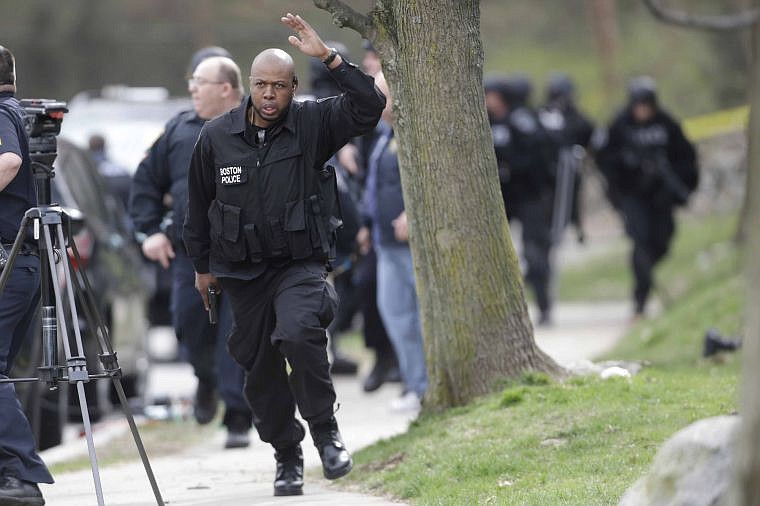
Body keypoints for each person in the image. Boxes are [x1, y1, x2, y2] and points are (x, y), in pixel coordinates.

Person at [183, 13, 385, 496]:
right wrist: (202, 268)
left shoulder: (313, 122)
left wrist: (330, 58)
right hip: (243, 274)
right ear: (247, 86)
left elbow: (368, 106)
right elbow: (197, 207)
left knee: (299, 333)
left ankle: (326, 434)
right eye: (261, 85)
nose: (270, 95)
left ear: (294, 86)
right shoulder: (215, 137)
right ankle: (286, 453)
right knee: (259, 369)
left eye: (279, 86)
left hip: (299, 264)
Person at [129, 49, 253, 448]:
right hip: (190, 257)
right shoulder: (178, 131)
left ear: (225, 88)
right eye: (192, 82)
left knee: (237, 336)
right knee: (189, 326)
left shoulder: (256, 127)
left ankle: (237, 416)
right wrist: (150, 232)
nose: (191, 89)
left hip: (243, 257)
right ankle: (207, 381)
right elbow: (146, 184)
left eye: (199, 82)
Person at [595, 76, 698, 317]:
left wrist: (679, 185)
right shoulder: (620, 125)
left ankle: (645, 270)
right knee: (640, 242)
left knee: (662, 242)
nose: (642, 111)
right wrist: (626, 169)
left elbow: (685, 157)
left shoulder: (667, 124)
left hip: (661, 196)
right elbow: (605, 160)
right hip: (633, 196)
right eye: (638, 106)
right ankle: (640, 298)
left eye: (646, 106)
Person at [0, 44, 52, 506]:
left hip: (8, 261)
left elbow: (9, 161)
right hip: (21, 262)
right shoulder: (15, 110)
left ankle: (21, 473)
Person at [358, 72, 427, 413]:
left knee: (419, 317)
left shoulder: (416, 131)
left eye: (382, 95)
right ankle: (414, 383)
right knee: (395, 315)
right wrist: (368, 223)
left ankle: (427, 384)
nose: (378, 103)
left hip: (411, 245)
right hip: (386, 243)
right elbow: (375, 186)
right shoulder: (384, 135)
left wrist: (414, 213)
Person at [485, 74, 557, 325]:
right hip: (501, 197)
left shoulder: (521, 120)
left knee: (535, 252)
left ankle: (544, 305)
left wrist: (512, 167)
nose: (487, 101)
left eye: (491, 97)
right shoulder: (486, 122)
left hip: (529, 196)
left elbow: (538, 156)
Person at [538, 74, 594, 243]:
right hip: (546, 172)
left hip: (569, 169)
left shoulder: (575, 116)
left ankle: (576, 226)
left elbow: (590, 135)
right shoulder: (542, 115)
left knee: (572, 200)